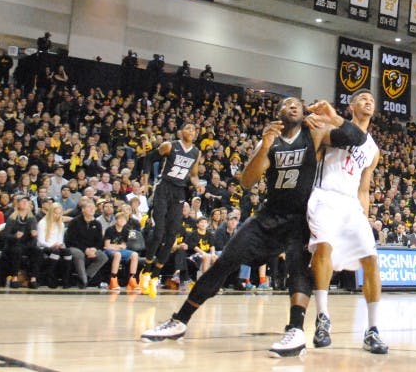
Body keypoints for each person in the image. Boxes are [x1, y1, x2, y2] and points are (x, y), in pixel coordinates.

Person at [141, 97, 365, 358]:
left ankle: (295, 330)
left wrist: (334, 115)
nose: (293, 106)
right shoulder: (268, 140)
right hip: (267, 216)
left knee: (297, 268)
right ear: (278, 113)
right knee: (224, 262)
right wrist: (265, 146)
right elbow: (247, 181)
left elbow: (357, 138)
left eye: (297, 104)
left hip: (299, 217)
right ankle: (180, 320)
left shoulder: (314, 132)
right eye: (286, 104)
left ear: (303, 111)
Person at [306, 89, 388, 355]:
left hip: (351, 204)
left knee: (371, 259)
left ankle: (373, 329)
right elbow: (318, 150)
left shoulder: (373, 149)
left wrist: (364, 218)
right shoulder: (333, 126)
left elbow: (364, 189)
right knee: (324, 247)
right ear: (352, 106)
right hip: (325, 194)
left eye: (372, 100)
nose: (368, 102)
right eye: (363, 99)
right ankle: (322, 318)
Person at [138, 122, 203, 297]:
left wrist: (198, 185)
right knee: (158, 233)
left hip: (179, 190)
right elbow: (149, 158)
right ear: (181, 132)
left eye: (194, 129)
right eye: (188, 128)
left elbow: (194, 174)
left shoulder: (197, 152)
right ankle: (145, 271)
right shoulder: (170, 146)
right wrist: (145, 183)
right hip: (163, 187)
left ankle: (155, 276)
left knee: (172, 234)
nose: (191, 130)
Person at [64, 198, 109, 288]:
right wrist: (85, 250)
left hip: (91, 248)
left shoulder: (97, 223)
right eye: (89, 207)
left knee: (103, 257)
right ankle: (83, 281)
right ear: (83, 209)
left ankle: (86, 277)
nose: (92, 209)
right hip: (75, 247)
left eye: (93, 207)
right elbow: (71, 240)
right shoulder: (75, 222)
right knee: (79, 254)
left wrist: (94, 249)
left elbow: (100, 241)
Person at [103, 210, 140, 291]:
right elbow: (107, 245)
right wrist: (117, 247)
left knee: (135, 255)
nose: (122, 221)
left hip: (118, 250)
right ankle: (113, 279)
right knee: (117, 255)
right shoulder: (110, 230)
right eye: (120, 219)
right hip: (108, 251)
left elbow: (124, 246)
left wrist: (116, 247)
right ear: (116, 220)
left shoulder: (126, 230)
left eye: (124, 219)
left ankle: (132, 279)